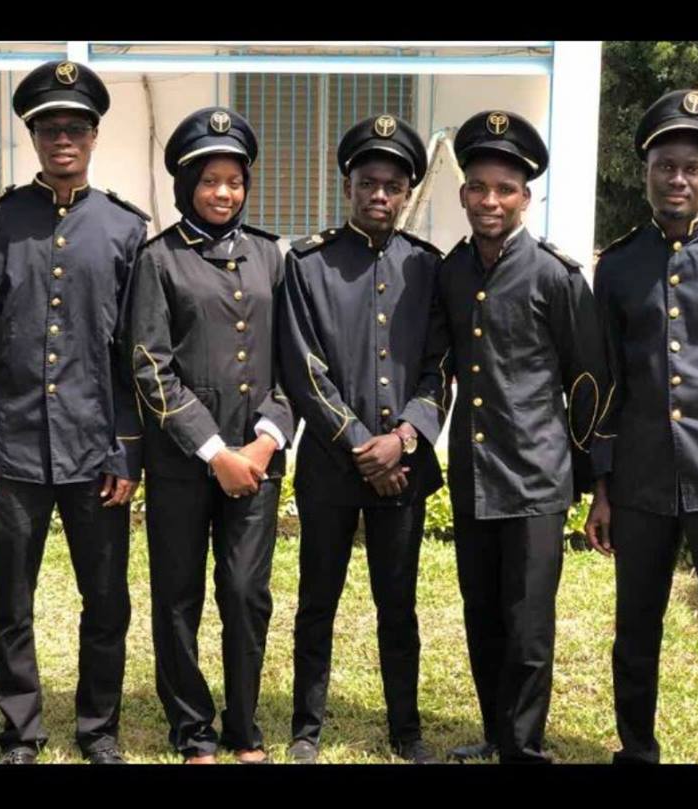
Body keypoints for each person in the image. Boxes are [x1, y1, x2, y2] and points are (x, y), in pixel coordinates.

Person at [0, 60, 149, 764]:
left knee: (106, 600)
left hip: (96, 450)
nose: (61, 139)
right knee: (12, 600)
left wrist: (127, 447)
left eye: (74, 127)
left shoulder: (126, 229)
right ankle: (21, 729)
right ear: (33, 137)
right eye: (48, 128)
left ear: (95, 135)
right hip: (13, 450)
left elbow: (135, 351)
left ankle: (98, 728)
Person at [586, 89, 698, 764]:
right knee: (635, 633)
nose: (677, 179)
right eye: (665, 166)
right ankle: (637, 752)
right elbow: (606, 382)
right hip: (643, 481)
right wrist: (602, 485)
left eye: (691, 167)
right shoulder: (620, 264)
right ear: (646, 172)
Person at [278, 114, 447, 764]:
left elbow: (439, 367)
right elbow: (303, 367)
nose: (380, 195)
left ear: (407, 193)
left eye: (393, 186)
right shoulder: (308, 264)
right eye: (368, 183)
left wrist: (403, 438)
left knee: (398, 604)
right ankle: (306, 727)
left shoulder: (426, 267)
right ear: (347, 184)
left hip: (403, 468)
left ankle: (406, 729)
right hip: (331, 465)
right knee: (316, 601)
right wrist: (360, 444)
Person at [439, 110, 607, 764]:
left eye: (504, 189)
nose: (490, 200)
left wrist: (596, 483)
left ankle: (524, 747)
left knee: (528, 625)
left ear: (525, 198)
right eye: (479, 187)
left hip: (536, 477)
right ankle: (495, 734)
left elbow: (588, 384)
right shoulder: (452, 271)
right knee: (481, 614)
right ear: (463, 194)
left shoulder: (555, 275)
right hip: (473, 473)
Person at [129, 106, 294, 764]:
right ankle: (192, 727)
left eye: (235, 181)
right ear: (186, 184)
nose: (224, 193)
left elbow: (293, 361)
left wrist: (264, 441)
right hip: (182, 460)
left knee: (247, 593)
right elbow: (150, 364)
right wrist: (214, 450)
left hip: (257, 460)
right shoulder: (159, 258)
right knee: (178, 596)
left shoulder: (272, 255)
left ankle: (244, 725)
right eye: (210, 181)